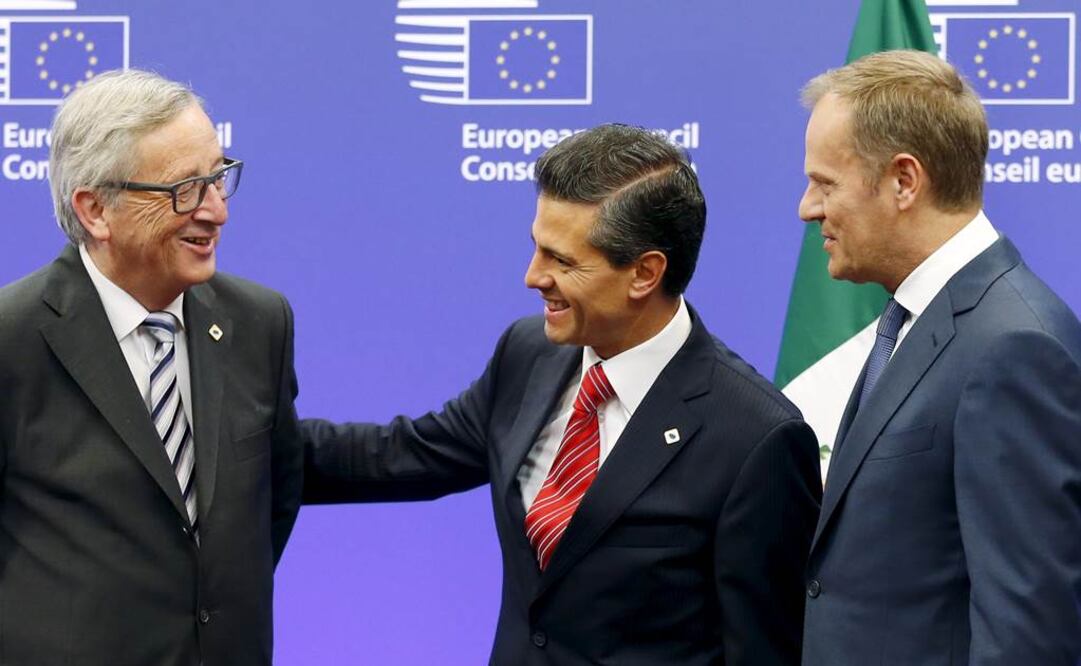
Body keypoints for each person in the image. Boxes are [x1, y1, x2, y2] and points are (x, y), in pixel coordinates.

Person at [304, 124, 822, 665]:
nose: (533, 277)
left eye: (563, 261)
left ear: (645, 273)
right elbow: (403, 455)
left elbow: (765, 652)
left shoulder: (755, 439)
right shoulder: (529, 354)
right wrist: (231, 442)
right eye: (536, 248)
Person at [0, 69, 303, 665]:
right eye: (184, 189)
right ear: (95, 210)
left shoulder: (260, 322)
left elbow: (274, 496)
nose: (216, 212)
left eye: (218, 178)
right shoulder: (12, 340)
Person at [798, 50, 1081, 665]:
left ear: (904, 181)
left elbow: (1028, 634)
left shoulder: (1013, 347)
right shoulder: (920, 320)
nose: (808, 209)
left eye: (825, 184)